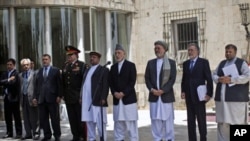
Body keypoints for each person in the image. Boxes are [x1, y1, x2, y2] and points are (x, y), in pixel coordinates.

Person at [212, 44, 250, 141]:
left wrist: (232, 79)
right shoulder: (222, 63)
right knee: (223, 123)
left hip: (236, 101)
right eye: (226, 52)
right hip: (222, 101)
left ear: (235, 52)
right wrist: (219, 79)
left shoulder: (241, 63)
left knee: (238, 123)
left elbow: (247, 76)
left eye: (230, 52)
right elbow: (214, 74)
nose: (228, 54)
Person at [144, 40, 176, 141]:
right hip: (154, 96)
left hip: (166, 96)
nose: (157, 50)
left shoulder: (171, 63)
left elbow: (172, 79)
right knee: (155, 119)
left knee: (168, 120)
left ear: (164, 49)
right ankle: (157, 139)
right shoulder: (150, 63)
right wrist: (152, 90)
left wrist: (163, 91)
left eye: (159, 48)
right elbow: (147, 78)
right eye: (155, 48)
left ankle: (169, 138)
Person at [181, 43, 213, 141]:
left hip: (200, 96)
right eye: (189, 50)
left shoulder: (203, 62)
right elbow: (184, 79)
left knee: (201, 121)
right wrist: (183, 91)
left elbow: (209, 79)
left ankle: (203, 138)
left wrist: (209, 93)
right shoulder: (186, 64)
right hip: (189, 97)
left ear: (197, 51)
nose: (190, 52)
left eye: (192, 50)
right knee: (190, 122)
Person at [109, 44, 139, 141]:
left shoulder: (130, 65)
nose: (117, 55)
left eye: (119, 53)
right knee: (118, 123)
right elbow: (111, 83)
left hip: (128, 99)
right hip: (117, 100)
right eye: (116, 53)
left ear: (124, 54)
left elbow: (132, 82)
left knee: (131, 124)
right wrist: (114, 93)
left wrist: (123, 93)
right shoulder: (113, 67)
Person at [80, 51, 109, 141]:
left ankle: (102, 138)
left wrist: (104, 97)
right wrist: (81, 96)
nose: (92, 59)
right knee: (89, 121)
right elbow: (83, 84)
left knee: (100, 122)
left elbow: (105, 85)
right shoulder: (87, 70)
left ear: (99, 59)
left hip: (98, 100)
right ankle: (92, 138)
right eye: (91, 57)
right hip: (87, 101)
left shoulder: (103, 69)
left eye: (94, 57)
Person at [32, 54, 62, 141]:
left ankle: (57, 135)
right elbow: (36, 86)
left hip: (52, 98)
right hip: (41, 99)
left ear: (50, 60)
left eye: (46, 59)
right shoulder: (39, 71)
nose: (44, 61)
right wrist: (35, 97)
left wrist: (59, 96)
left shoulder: (55, 70)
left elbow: (59, 84)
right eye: (43, 59)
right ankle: (47, 135)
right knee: (43, 119)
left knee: (54, 119)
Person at [62, 45, 87, 141]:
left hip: (78, 97)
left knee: (80, 118)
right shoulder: (65, 65)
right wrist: (63, 94)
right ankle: (75, 136)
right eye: (68, 55)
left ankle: (81, 136)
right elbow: (63, 81)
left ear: (76, 55)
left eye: (71, 55)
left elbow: (84, 82)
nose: (69, 57)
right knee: (72, 118)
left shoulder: (82, 65)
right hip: (68, 97)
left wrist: (82, 96)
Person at [0, 58, 22, 139]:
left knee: (16, 116)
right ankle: (9, 133)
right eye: (8, 65)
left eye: (10, 65)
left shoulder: (16, 74)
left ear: (14, 65)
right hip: (6, 98)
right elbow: (1, 82)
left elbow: (13, 84)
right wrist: (8, 79)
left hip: (14, 98)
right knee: (7, 117)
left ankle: (19, 133)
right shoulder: (5, 74)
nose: (9, 66)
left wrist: (6, 82)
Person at [19, 58, 40, 140]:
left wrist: (36, 97)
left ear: (30, 65)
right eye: (24, 65)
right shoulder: (20, 75)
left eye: (27, 65)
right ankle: (28, 133)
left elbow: (37, 87)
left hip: (32, 98)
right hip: (24, 98)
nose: (26, 66)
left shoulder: (35, 74)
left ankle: (36, 133)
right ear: (22, 66)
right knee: (26, 117)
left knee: (34, 117)